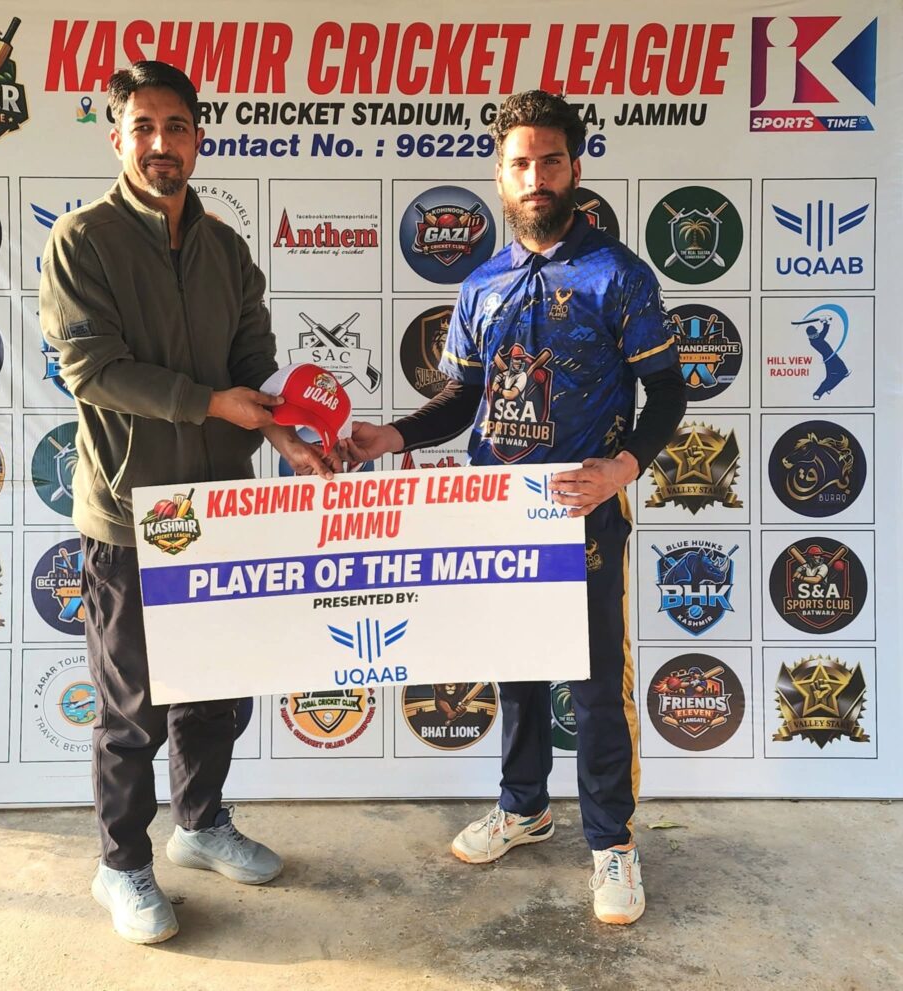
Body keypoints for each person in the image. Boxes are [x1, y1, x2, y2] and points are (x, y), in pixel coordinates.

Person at [346, 90, 686, 925]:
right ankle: (524, 805)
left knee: (595, 685)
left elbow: (669, 393)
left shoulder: (619, 274)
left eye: (551, 161)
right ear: (500, 176)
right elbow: (462, 399)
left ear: (575, 168)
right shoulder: (481, 283)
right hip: (495, 513)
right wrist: (392, 435)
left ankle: (612, 841)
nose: (536, 178)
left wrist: (622, 469)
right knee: (519, 673)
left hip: (581, 516)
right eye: (521, 164)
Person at [40, 60, 331, 945]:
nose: (161, 144)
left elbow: (253, 365)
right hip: (131, 514)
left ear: (198, 138)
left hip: (223, 514)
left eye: (176, 127)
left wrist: (288, 434)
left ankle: (200, 825)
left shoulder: (227, 249)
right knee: (132, 707)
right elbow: (92, 368)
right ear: (116, 137)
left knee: (213, 692)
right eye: (144, 127)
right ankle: (122, 863)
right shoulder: (82, 240)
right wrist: (208, 405)